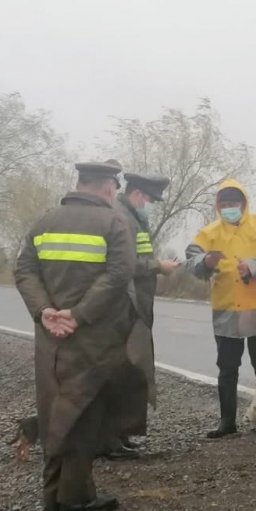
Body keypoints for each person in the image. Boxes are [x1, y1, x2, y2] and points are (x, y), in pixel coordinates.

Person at [14, 159, 136, 511]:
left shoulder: (44, 221)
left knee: (54, 408)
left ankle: (52, 496)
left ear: (80, 183)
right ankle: (76, 498)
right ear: (108, 188)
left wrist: (45, 311)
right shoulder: (114, 222)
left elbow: (24, 270)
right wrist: (78, 315)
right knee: (84, 412)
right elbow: (120, 273)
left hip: (50, 338)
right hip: (93, 337)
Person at [185, 179, 256, 438]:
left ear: (243, 203)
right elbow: (191, 257)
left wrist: (253, 266)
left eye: (233, 203)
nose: (229, 208)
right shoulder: (211, 232)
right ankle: (227, 422)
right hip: (226, 308)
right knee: (227, 367)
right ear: (218, 206)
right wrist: (205, 261)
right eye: (224, 204)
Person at [98, 172, 178, 460]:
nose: (152, 204)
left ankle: (119, 435)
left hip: (135, 305)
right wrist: (159, 266)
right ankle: (109, 440)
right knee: (120, 371)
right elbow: (127, 264)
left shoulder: (132, 216)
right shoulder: (122, 217)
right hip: (125, 307)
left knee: (129, 371)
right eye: (151, 199)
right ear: (138, 195)